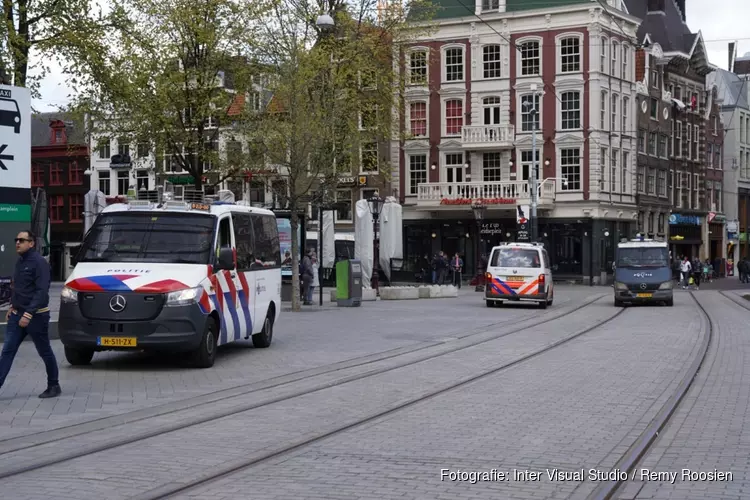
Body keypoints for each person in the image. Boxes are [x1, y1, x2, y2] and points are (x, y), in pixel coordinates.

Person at [0, 231, 60, 398]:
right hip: (17, 315)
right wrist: (12, 306)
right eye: (16, 240)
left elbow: (41, 291)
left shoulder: (39, 263)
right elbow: (18, 287)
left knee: (44, 351)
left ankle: (53, 385)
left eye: (22, 240)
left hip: (36, 316)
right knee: (7, 351)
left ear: (31, 243)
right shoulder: (20, 262)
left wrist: (28, 313)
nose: (17, 243)